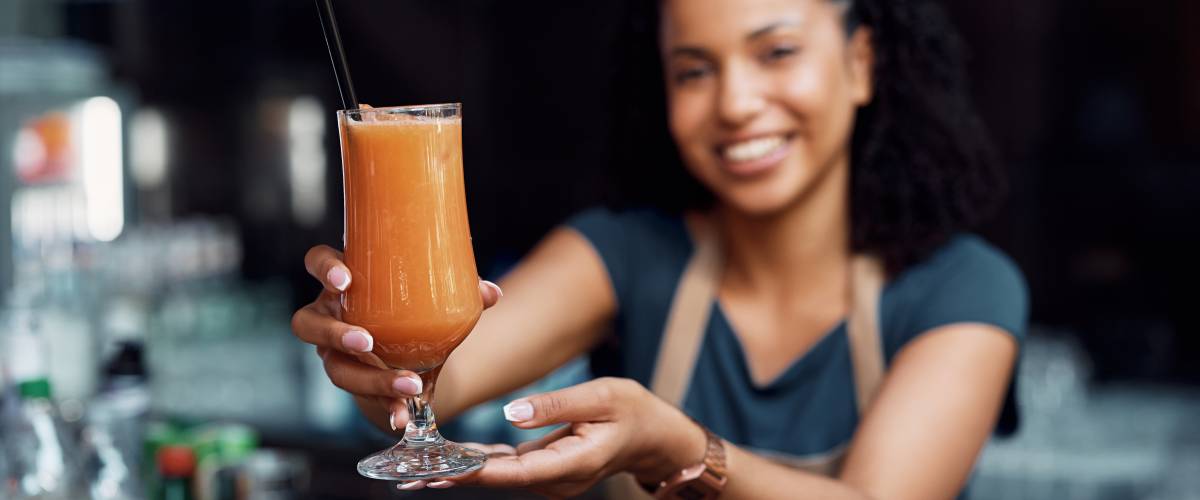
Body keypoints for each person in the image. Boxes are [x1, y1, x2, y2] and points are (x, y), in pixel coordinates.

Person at [291, 0, 1027, 498]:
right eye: (694, 70)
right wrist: (372, 349)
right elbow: (430, 388)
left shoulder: (964, 287)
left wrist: (682, 450)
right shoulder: (627, 253)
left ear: (861, 62)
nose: (736, 103)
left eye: (776, 53)